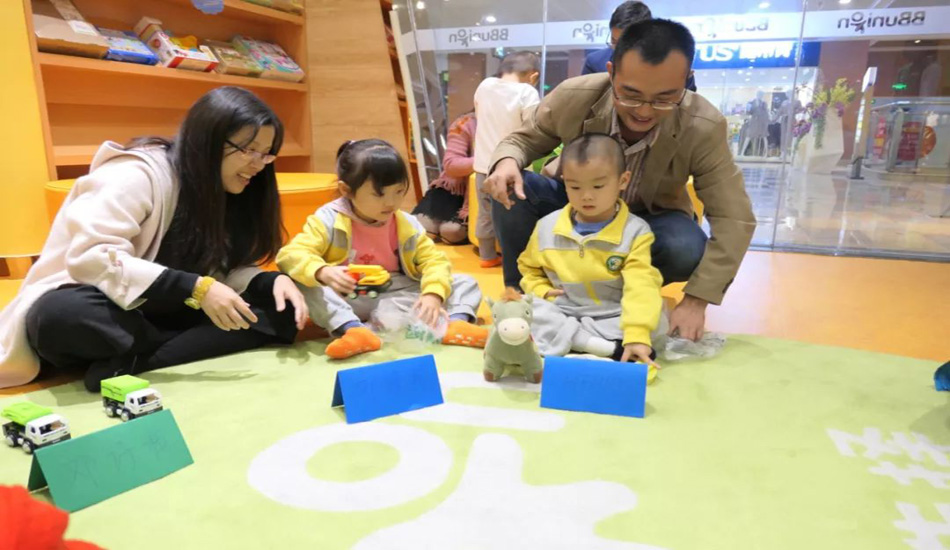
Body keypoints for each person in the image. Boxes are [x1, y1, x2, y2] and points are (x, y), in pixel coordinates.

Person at [0, 87, 309, 391]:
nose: (258, 164)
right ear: (208, 139)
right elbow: (92, 257)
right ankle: (169, 349)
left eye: (266, 154)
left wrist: (268, 281)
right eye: (248, 150)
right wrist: (197, 288)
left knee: (283, 308)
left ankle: (138, 361)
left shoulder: (230, 188)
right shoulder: (135, 174)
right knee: (61, 314)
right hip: (114, 307)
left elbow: (224, 268)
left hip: (170, 312)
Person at [484, 19, 756, 342]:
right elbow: (524, 139)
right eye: (630, 94)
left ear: (687, 80)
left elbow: (734, 217)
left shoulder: (703, 125)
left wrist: (696, 300)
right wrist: (506, 161)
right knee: (517, 188)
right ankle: (520, 301)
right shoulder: (575, 95)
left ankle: (622, 299)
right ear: (611, 72)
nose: (644, 111)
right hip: (575, 208)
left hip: (650, 219)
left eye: (664, 98)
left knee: (685, 247)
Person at [277, 139, 489, 360]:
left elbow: (434, 261)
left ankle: (453, 324)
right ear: (346, 190)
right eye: (379, 194)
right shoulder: (328, 219)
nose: (391, 202)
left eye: (398, 191)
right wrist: (322, 271)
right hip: (348, 294)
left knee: (464, 282)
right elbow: (289, 255)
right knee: (303, 283)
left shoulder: (406, 223)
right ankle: (353, 330)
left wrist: (432, 294)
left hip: (396, 292)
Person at [519, 134, 663, 364]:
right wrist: (541, 289)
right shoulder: (547, 226)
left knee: (657, 319)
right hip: (563, 310)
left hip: (612, 313)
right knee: (519, 308)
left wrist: (637, 334)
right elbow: (528, 268)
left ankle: (573, 342)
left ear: (623, 181)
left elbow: (641, 284)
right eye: (575, 187)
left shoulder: (636, 231)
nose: (586, 196)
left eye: (598, 186)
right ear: (565, 182)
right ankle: (602, 348)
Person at [473, 51, 541, 268]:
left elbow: (479, 114)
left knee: (485, 212)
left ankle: (487, 256)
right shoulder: (527, 92)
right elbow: (533, 128)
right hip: (511, 167)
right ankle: (515, 259)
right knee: (512, 213)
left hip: (482, 165)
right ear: (533, 76)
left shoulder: (484, 86)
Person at [581, 1, 697, 92]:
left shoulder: (675, 66)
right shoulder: (595, 63)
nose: (618, 50)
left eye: (626, 44)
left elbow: (688, 107)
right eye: (614, 41)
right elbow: (587, 103)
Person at [412, 111, 476, 244]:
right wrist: (484, 161)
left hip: (477, 193)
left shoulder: (511, 123)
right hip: (453, 188)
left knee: (452, 232)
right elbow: (451, 163)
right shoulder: (465, 123)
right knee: (418, 229)